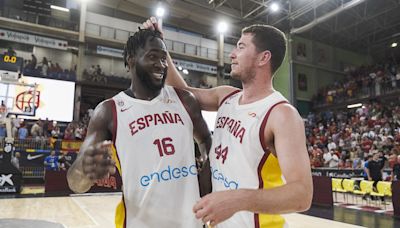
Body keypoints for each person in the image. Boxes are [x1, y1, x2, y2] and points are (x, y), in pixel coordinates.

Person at [143, 16, 312, 227]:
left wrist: (238, 199)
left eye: (241, 47)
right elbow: (182, 94)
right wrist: (161, 49)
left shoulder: (281, 114)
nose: (232, 54)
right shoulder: (226, 96)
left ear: (263, 58)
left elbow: (302, 195)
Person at [67, 28, 212, 228]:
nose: (161, 65)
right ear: (131, 59)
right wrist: (85, 171)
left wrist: (208, 167)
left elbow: (206, 139)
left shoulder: (185, 100)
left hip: (191, 222)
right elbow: (76, 183)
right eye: (153, 57)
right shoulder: (109, 111)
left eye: (164, 59)